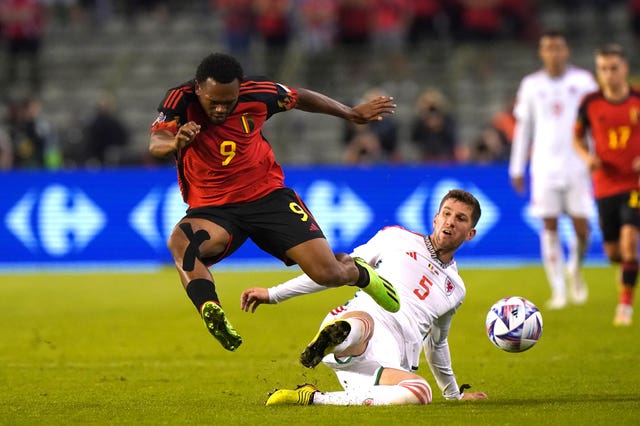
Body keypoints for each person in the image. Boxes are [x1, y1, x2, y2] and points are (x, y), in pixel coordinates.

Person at [148, 52, 400, 352]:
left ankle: (359, 272)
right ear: (199, 88)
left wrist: (351, 114)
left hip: (268, 197)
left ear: (239, 89)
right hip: (214, 209)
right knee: (181, 243)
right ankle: (210, 309)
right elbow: (156, 143)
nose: (220, 108)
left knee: (327, 273)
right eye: (213, 101)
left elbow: (300, 97)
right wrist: (175, 141)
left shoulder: (258, 93)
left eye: (228, 102)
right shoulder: (179, 99)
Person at [241, 189, 488, 406]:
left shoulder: (456, 289)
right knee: (362, 322)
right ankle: (338, 337)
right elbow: (335, 271)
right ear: (435, 218)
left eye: (460, 218)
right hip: (366, 326)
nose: (451, 221)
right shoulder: (395, 238)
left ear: (470, 234)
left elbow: (437, 343)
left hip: (388, 362)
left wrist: (453, 394)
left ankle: (312, 397)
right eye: (446, 213)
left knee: (420, 391)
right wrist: (273, 294)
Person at [508, 29, 598, 310]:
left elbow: (595, 123)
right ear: (541, 52)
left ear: (566, 50)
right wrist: (517, 165)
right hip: (544, 166)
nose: (554, 53)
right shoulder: (531, 85)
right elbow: (524, 128)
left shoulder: (583, 82)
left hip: (577, 164)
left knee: (582, 227)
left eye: (558, 48)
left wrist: (595, 157)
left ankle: (575, 269)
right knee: (549, 225)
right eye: (548, 48)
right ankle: (558, 290)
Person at [573, 44, 640, 326]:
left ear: (624, 69)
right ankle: (628, 268)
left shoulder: (637, 100)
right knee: (614, 252)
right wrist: (587, 156)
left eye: (613, 68)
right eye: (603, 69)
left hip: (634, 185)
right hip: (604, 185)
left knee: (629, 243)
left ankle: (624, 305)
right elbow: (576, 137)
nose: (608, 74)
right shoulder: (590, 103)